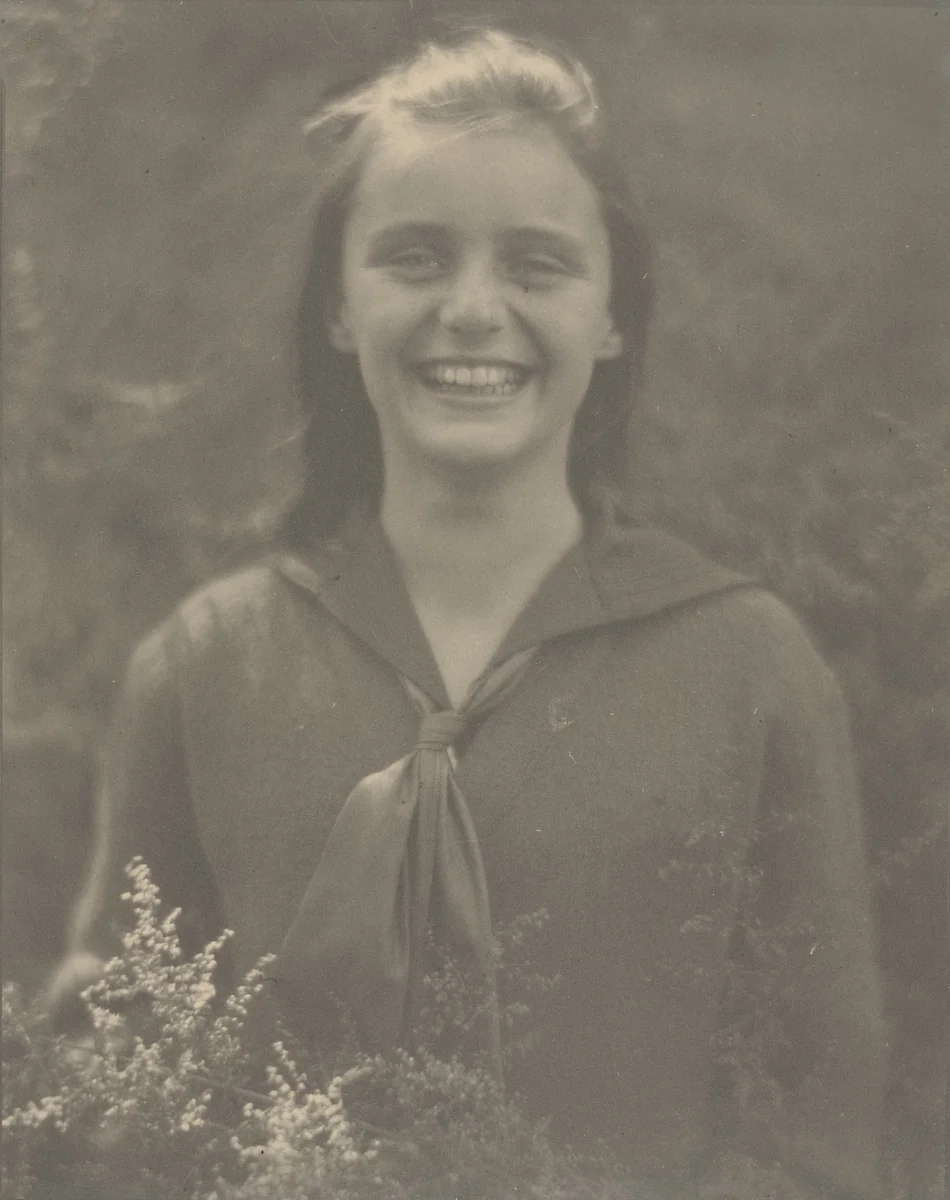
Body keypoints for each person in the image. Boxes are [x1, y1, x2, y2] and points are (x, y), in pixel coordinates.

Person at [48, 28, 886, 1199]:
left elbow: (824, 1115)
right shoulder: (207, 664)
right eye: (414, 258)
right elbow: (110, 1071)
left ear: (611, 315)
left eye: (537, 265)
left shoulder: (746, 664)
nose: (474, 310)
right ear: (337, 306)